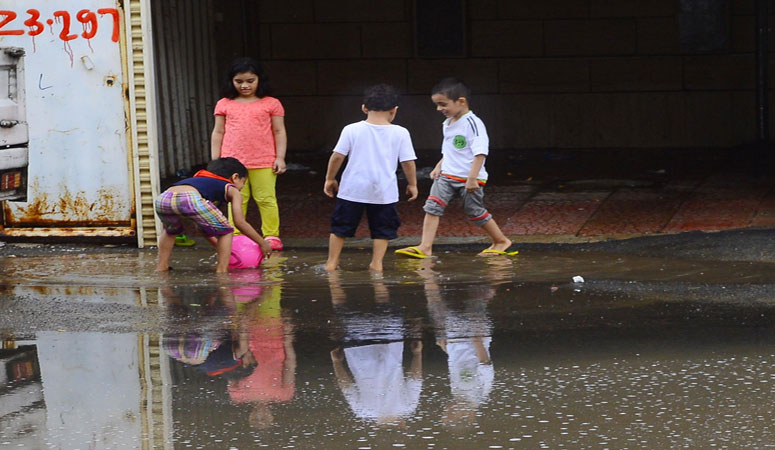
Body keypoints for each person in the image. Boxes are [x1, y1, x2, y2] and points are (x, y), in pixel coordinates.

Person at [395, 78, 517, 259]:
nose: (439, 109)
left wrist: (472, 178)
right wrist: (439, 166)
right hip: (447, 175)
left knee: (475, 211)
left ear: (461, 101)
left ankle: (501, 241)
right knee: (432, 206)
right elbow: (450, 150)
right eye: (437, 105)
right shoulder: (448, 123)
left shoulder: (473, 123)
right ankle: (425, 247)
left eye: (443, 104)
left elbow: (480, 153)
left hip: (469, 177)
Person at [324, 84, 418, 272]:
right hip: (384, 192)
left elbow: (337, 157)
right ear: (394, 110)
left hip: (352, 189)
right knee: (382, 229)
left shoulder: (351, 129)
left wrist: (330, 178)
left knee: (340, 226)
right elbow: (408, 162)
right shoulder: (401, 133)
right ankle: (376, 264)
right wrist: (412, 184)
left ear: (364, 108)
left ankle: (331, 263)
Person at [211, 57, 287, 251]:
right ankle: (235, 235)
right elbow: (218, 132)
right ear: (231, 81)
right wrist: (216, 160)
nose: (244, 86)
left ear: (260, 79)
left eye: (250, 81)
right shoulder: (224, 104)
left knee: (266, 199)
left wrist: (280, 157)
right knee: (236, 200)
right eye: (239, 81)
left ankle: (271, 236)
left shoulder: (272, 103)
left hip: (264, 160)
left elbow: (279, 131)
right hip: (232, 163)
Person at [154, 157, 272, 272]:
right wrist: (262, 243)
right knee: (227, 231)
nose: (241, 188)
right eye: (243, 183)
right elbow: (239, 222)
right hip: (189, 198)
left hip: (163, 198)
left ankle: (162, 267)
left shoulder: (201, 181)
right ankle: (222, 271)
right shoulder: (232, 189)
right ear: (235, 177)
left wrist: (220, 246)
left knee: (171, 231)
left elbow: (201, 227)